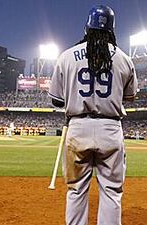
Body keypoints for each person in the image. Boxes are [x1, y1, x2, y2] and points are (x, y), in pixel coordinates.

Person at [48, 5, 137, 225]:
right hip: (110, 128)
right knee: (112, 191)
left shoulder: (67, 56)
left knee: (76, 190)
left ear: (87, 27)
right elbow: (130, 96)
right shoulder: (124, 59)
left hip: (78, 129)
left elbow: (56, 100)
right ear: (112, 30)